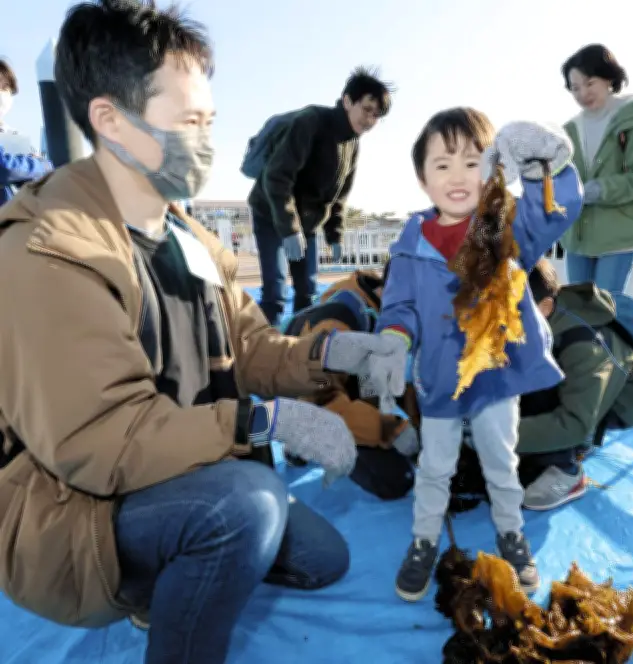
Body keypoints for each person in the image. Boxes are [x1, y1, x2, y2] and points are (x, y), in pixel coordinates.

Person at [0, 3, 408, 664]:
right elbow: (104, 441)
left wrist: (333, 351)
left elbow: (249, 344)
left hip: (189, 468)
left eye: (210, 121)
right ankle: (158, 600)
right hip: (82, 514)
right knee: (247, 508)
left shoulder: (184, 232)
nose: (207, 141)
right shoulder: (49, 251)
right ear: (110, 119)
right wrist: (263, 422)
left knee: (322, 557)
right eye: (189, 122)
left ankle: (185, 561)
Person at [376, 107, 584, 602]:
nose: (457, 176)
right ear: (422, 179)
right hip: (439, 378)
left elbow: (554, 210)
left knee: (501, 463)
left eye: (473, 162)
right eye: (442, 164)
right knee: (435, 467)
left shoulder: (505, 228)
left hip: (496, 376)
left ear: (494, 171)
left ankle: (512, 535)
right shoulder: (409, 246)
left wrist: (546, 167)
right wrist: (394, 340)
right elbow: (399, 306)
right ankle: (424, 541)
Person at [449, 258, 633, 513]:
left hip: (604, 404)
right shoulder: (534, 323)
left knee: (540, 409)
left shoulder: (585, 345)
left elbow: (574, 424)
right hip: (568, 385)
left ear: (546, 306)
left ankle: (567, 472)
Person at [246, 67, 393, 324]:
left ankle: (301, 341)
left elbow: (339, 196)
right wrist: (289, 229)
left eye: (376, 115)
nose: (370, 120)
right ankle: (265, 344)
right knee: (276, 291)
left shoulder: (353, 142)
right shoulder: (311, 121)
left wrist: (335, 235)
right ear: (347, 101)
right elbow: (277, 177)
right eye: (366, 109)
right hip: (271, 213)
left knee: (308, 291)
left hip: (308, 223)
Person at [282, 266, 419, 501]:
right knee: (394, 478)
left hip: (345, 383)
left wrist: (425, 429)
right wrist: (389, 429)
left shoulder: (387, 313)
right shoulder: (339, 321)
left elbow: (404, 380)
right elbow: (321, 399)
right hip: (307, 393)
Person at [559, 43, 633, 293]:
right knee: (578, 305)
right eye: (575, 88)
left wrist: (597, 190)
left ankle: (628, 321)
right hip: (579, 236)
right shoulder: (570, 129)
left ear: (609, 78)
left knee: (606, 305)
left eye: (590, 83)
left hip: (619, 231)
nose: (583, 93)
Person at [0, 57, 53, 206]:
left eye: (5, 88)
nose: (2, 94)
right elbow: (5, 168)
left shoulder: (14, 136)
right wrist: (41, 165)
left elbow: (45, 173)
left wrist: (41, 165)